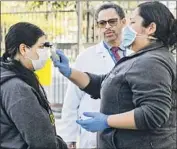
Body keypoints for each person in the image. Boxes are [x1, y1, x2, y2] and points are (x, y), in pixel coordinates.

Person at [52, 1, 177, 149]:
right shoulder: (141, 57)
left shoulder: (152, 62)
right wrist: (69, 72)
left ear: (150, 28)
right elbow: (104, 83)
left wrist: (107, 120)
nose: (127, 28)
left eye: (132, 22)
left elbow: (153, 113)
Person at [58, 3, 127, 149]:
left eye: (112, 21)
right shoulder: (85, 57)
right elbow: (71, 101)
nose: (107, 26)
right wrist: (69, 138)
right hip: (94, 138)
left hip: (128, 135)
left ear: (123, 22)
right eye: (102, 23)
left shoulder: (135, 53)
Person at [0, 22, 67, 149]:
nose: (45, 52)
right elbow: (44, 143)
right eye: (41, 46)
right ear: (24, 49)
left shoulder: (9, 74)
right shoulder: (17, 89)